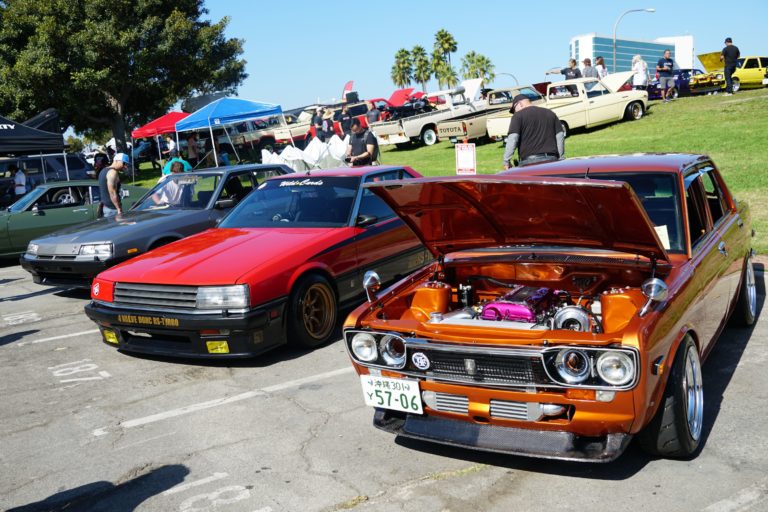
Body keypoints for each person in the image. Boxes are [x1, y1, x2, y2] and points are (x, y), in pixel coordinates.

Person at [502, 94, 564, 169]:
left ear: (520, 104)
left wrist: (506, 161)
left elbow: (513, 138)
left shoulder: (518, 116)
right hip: (552, 160)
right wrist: (560, 157)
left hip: (529, 163)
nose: (515, 112)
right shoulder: (550, 113)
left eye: (514, 109)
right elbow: (560, 136)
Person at [98, 152, 129, 217]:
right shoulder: (113, 172)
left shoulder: (103, 171)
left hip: (106, 207)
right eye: (124, 163)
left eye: (126, 164)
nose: (125, 166)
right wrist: (119, 209)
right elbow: (112, 193)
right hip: (112, 209)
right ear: (116, 161)